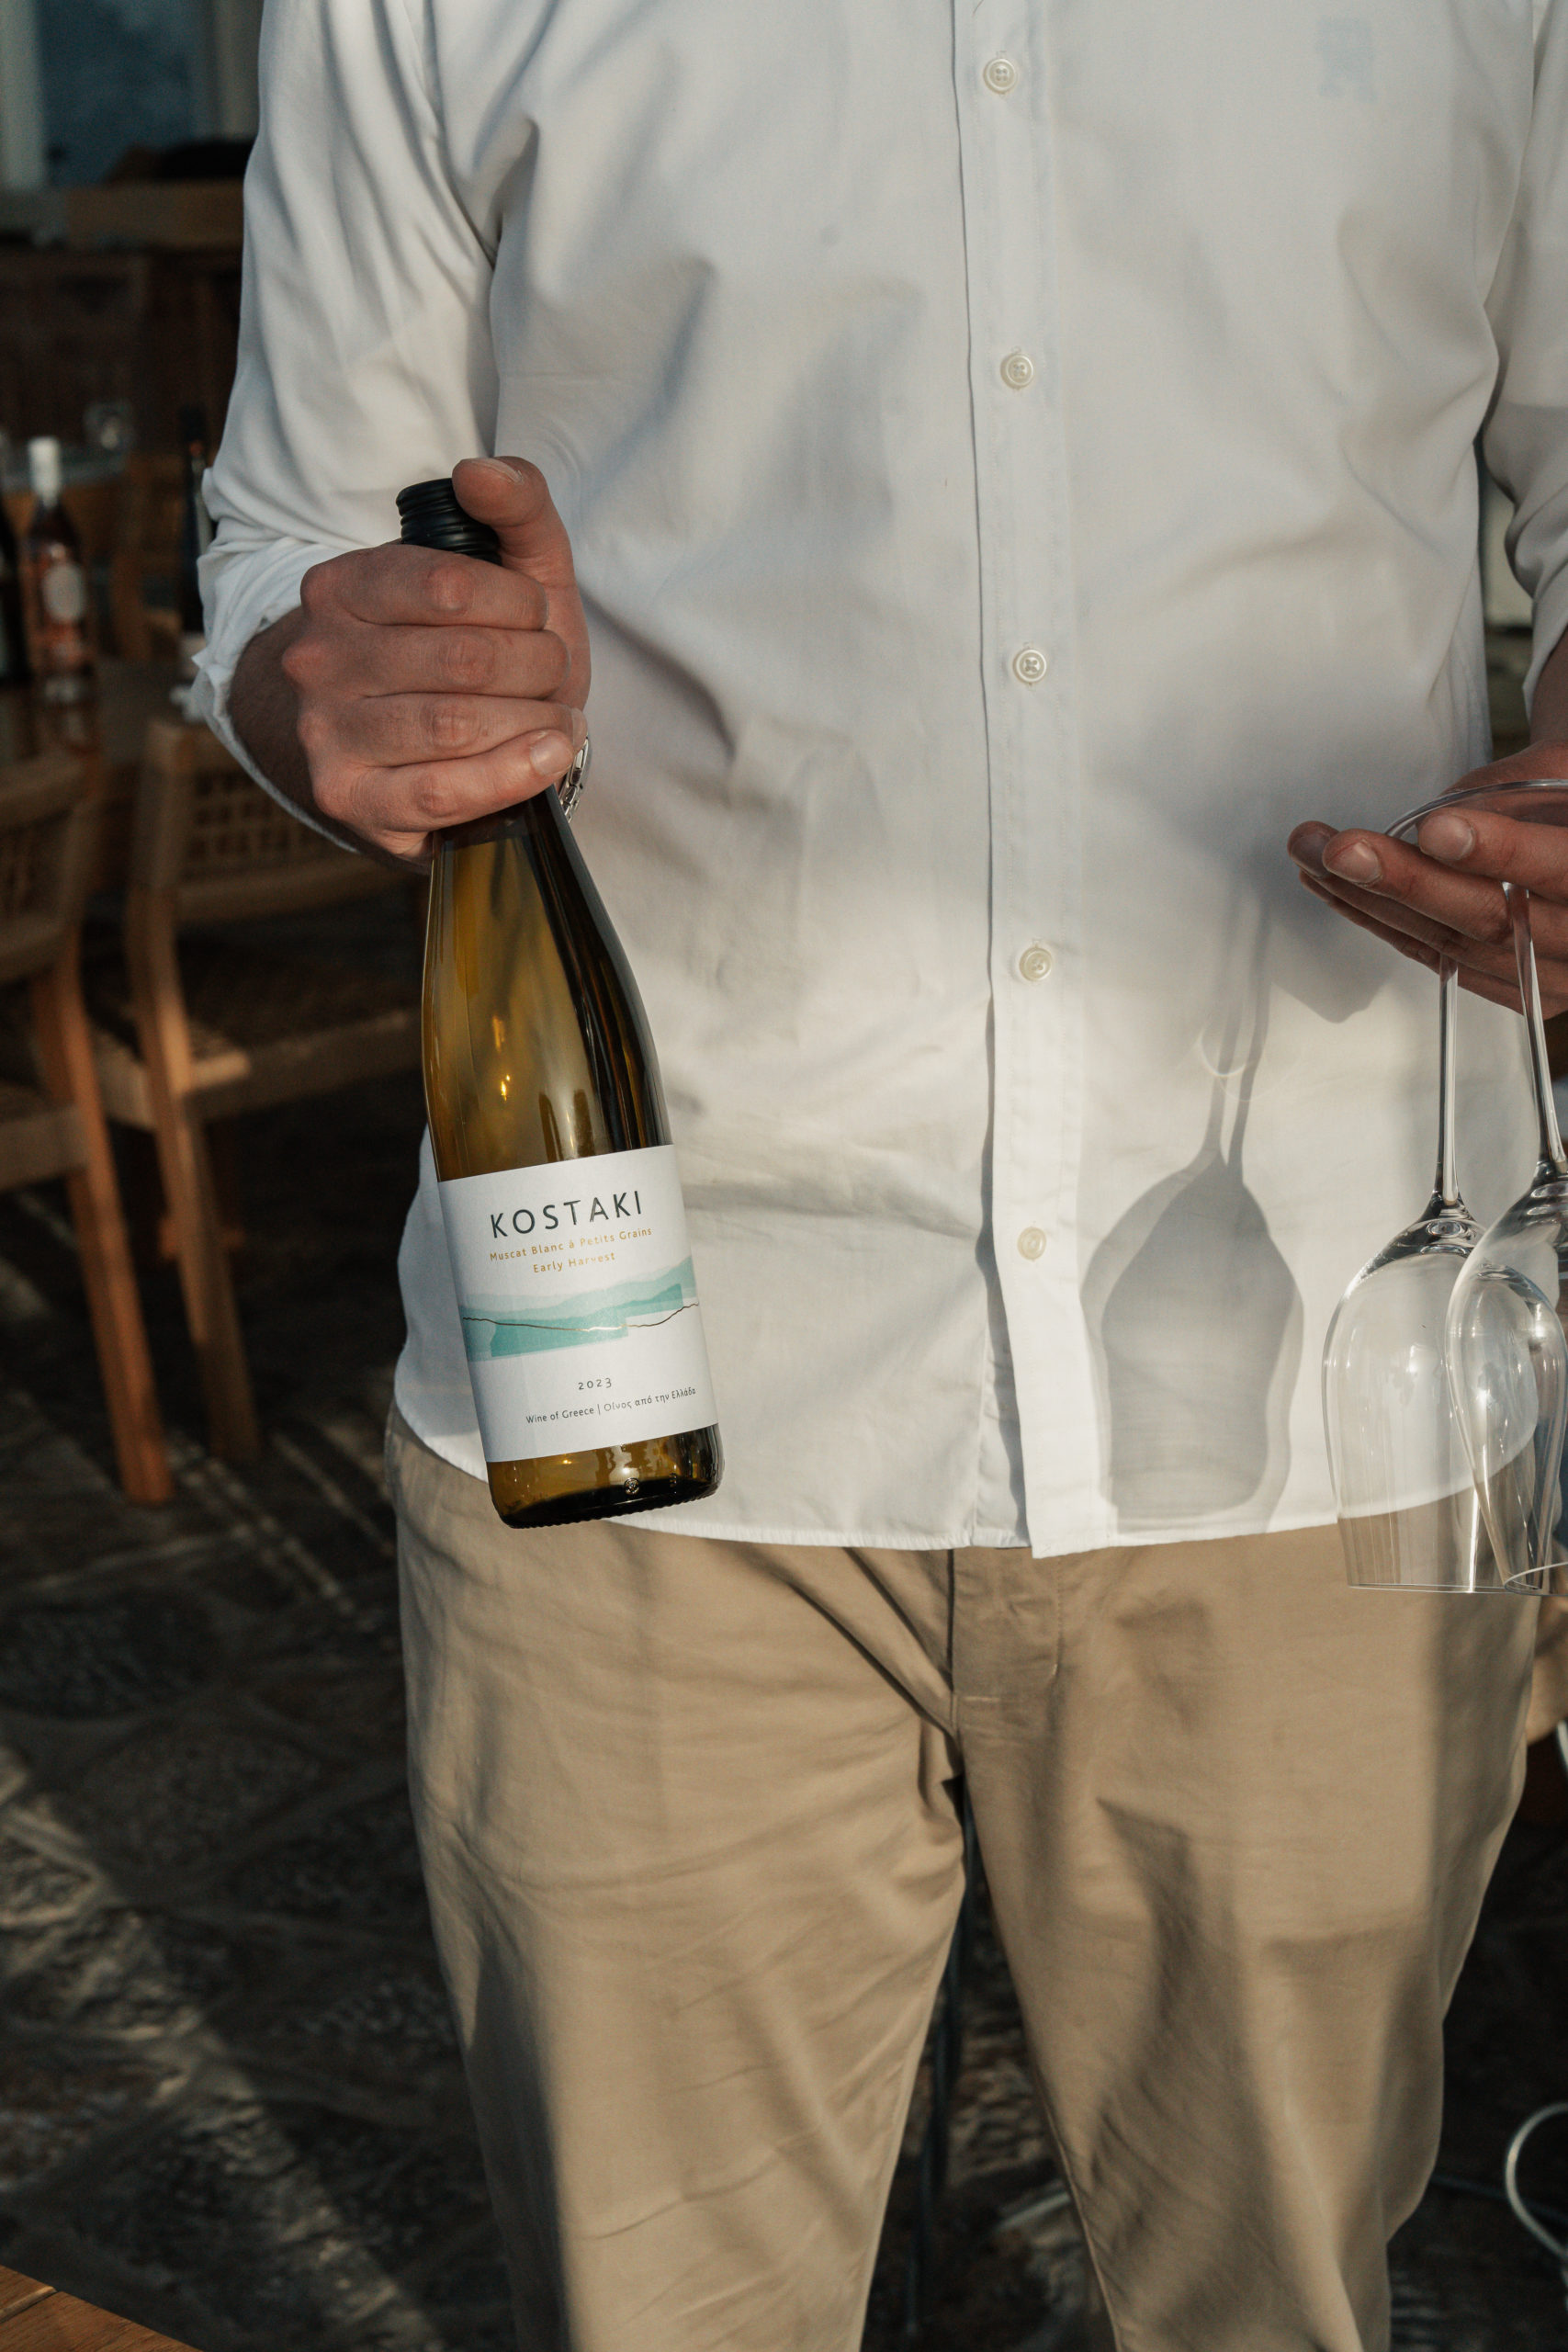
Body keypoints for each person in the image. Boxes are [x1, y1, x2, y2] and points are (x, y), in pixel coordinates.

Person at [194, 4, 1568, 2346]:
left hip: (1319, 1358)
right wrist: (318, 682)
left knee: (1278, 2303)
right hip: (638, 1371)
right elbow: (288, 543)